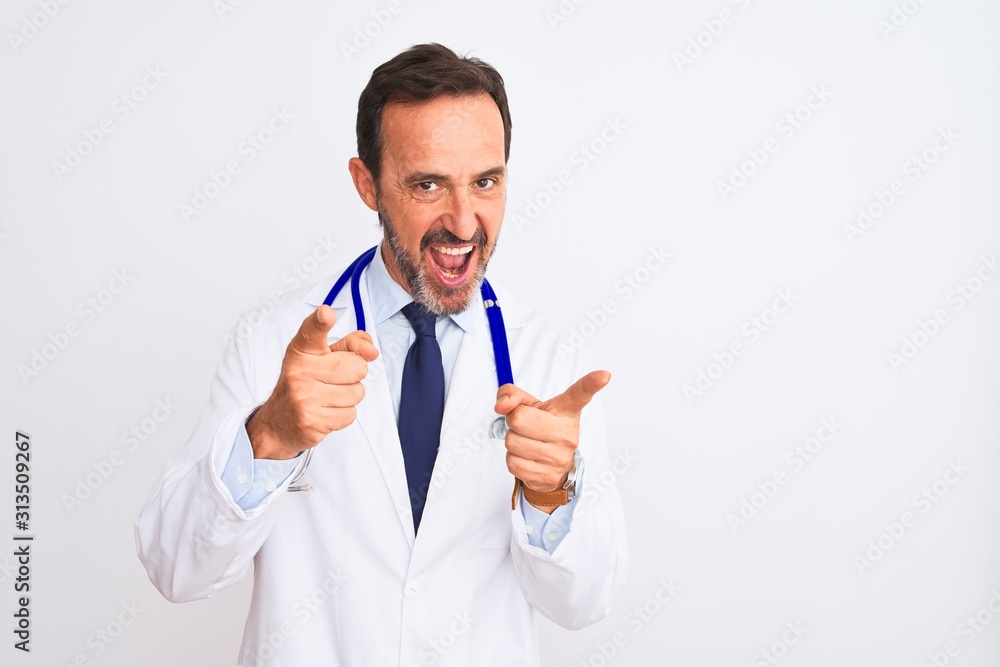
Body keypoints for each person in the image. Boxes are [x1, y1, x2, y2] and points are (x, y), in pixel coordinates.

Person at [135, 43, 628, 666]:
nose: (464, 220)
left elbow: (584, 604)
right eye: (428, 184)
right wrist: (269, 436)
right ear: (367, 184)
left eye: (485, 181)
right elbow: (175, 569)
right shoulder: (271, 344)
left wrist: (553, 492)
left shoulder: (550, 360)